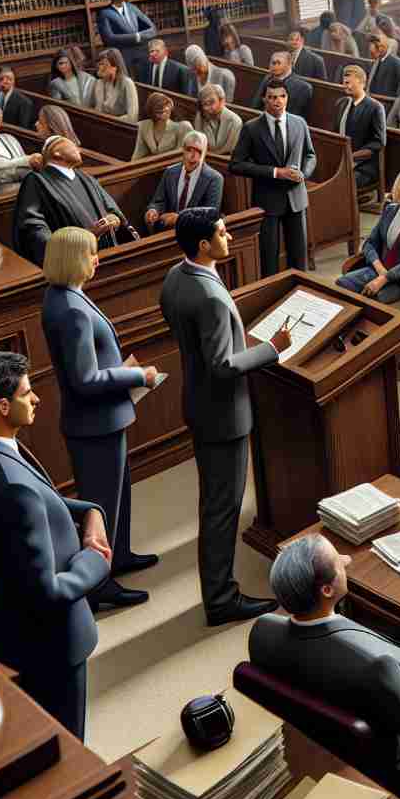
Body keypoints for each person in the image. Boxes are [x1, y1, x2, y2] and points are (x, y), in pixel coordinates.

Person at [0, 351, 112, 739]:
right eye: (27, 393)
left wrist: (90, 510)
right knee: (69, 744)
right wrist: (97, 559)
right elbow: (48, 590)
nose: (36, 398)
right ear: (3, 407)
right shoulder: (15, 489)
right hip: (53, 643)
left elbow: (36, 505)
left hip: (10, 622)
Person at [251, 535, 400, 774]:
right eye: (338, 562)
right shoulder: (378, 667)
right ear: (327, 589)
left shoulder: (262, 632)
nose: (347, 560)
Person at [159, 209, 290, 625]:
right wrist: (271, 347)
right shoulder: (211, 296)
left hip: (197, 403)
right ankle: (220, 599)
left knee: (214, 504)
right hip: (223, 415)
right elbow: (223, 365)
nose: (229, 236)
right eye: (221, 232)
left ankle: (217, 591)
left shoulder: (176, 276)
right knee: (222, 509)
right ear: (203, 244)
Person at [40, 226, 158, 613]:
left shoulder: (64, 296)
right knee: (101, 506)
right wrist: (137, 376)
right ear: (73, 257)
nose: (97, 259)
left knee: (117, 496)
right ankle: (100, 584)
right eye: (91, 253)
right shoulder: (71, 307)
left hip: (104, 419)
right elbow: (86, 379)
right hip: (95, 423)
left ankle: (119, 555)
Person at [234, 78, 317, 273]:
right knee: (268, 259)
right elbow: (236, 164)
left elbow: (310, 155)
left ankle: (299, 296)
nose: (277, 101)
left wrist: (303, 174)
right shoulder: (252, 128)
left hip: (296, 199)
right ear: (264, 99)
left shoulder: (299, 123)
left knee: (299, 259)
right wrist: (275, 172)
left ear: (287, 98)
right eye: (272, 97)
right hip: (267, 200)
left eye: (282, 96)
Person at [13, 135, 127, 266]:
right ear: (56, 152)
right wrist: (82, 240)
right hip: (74, 264)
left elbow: (112, 209)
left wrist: (113, 220)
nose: (78, 149)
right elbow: (32, 227)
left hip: (108, 255)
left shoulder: (85, 177)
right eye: (72, 145)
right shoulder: (37, 181)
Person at [341, 167, 400, 308]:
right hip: (377, 269)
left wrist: (386, 277)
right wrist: (379, 269)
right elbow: (369, 243)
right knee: (341, 284)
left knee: (371, 300)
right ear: (397, 188)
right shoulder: (390, 210)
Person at [145, 131, 222, 234]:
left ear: (204, 154)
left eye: (198, 151)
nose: (193, 156)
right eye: (189, 150)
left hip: (195, 235)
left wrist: (179, 218)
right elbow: (158, 201)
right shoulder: (170, 172)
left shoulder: (214, 178)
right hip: (167, 232)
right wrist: (153, 211)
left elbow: (210, 215)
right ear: (183, 150)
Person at [331, 64, 388, 189]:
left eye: (349, 82)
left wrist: (353, 156)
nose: (346, 85)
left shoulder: (375, 107)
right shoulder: (342, 103)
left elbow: (379, 142)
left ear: (362, 83)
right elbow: (335, 133)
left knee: (343, 184)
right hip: (342, 160)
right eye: (344, 82)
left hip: (364, 165)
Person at [96, 0, 155, 77]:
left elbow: (153, 29)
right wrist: (136, 37)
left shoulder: (132, 8)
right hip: (122, 61)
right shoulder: (104, 13)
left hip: (143, 59)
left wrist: (138, 36)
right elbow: (108, 39)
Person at [252, 51, 315, 118]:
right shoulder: (267, 79)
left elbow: (294, 115)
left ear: (289, 65)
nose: (274, 66)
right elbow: (255, 105)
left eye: (278, 63)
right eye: (273, 63)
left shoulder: (302, 87)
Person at [133, 91, 190, 160]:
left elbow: (181, 156)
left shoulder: (182, 127)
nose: (165, 110)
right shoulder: (143, 126)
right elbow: (138, 154)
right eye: (159, 111)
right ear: (152, 112)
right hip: (150, 166)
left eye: (167, 106)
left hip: (171, 167)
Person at [192, 84, 243, 157]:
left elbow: (231, 150)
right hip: (203, 157)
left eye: (211, 102)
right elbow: (198, 141)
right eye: (204, 104)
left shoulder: (235, 121)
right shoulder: (200, 116)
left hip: (224, 161)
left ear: (222, 101)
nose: (207, 107)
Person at [90, 48, 138, 121]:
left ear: (115, 66)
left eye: (103, 64)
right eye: (99, 64)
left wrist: (110, 121)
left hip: (120, 127)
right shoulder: (98, 84)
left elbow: (132, 116)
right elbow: (95, 109)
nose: (100, 68)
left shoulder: (127, 83)